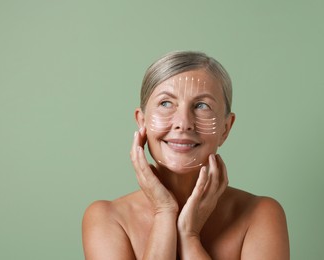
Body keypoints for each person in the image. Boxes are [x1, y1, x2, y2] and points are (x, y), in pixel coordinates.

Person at [82, 51, 290, 259]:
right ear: (142, 121)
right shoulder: (106, 218)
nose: (184, 123)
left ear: (225, 129)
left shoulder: (260, 214)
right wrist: (164, 212)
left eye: (202, 106)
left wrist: (189, 236)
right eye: (165, 103)